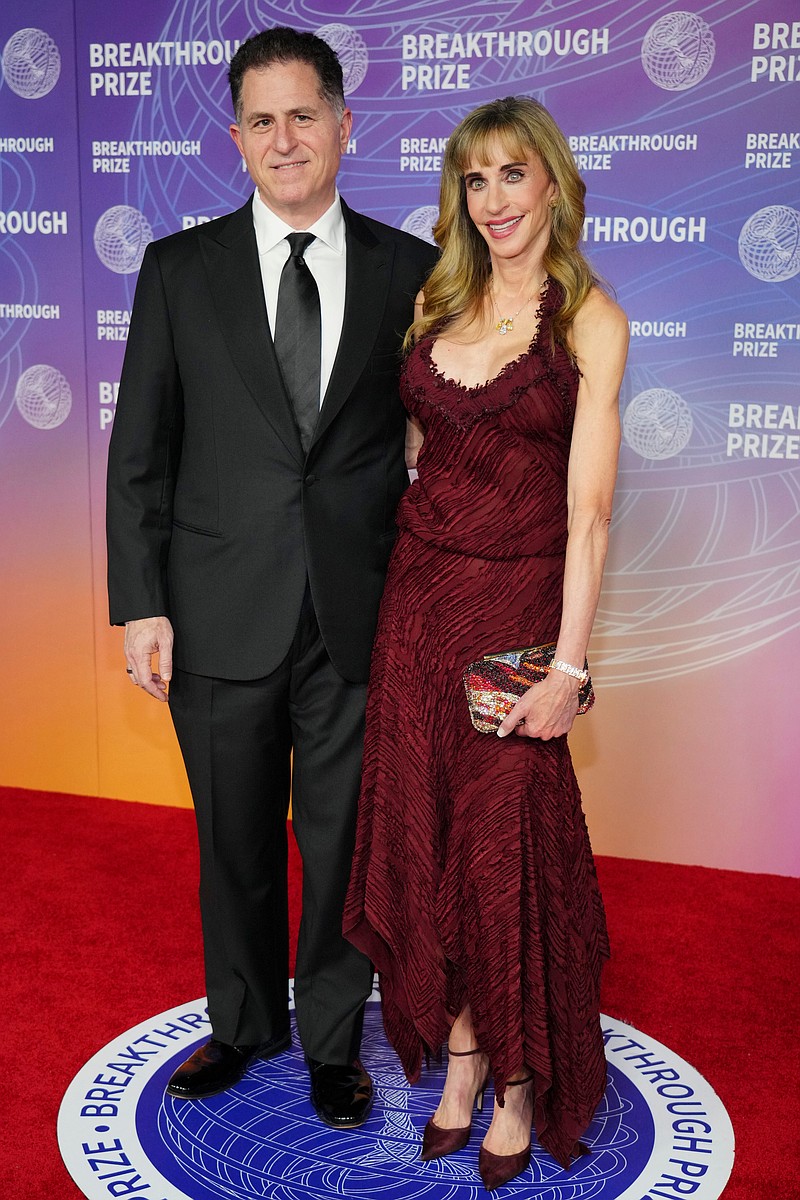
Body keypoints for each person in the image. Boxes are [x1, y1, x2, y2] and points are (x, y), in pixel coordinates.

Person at [106, 27, 436, 1128]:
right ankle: (244, 1023)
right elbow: (139, 453)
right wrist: (140, 603)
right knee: (233, 838)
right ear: (234, 139)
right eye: (261, 120)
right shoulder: (178, 269)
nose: (283, 139)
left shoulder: (412, 271)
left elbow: (442, 443)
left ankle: (333, 1043)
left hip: (359, 613)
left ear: (345, 125)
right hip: (214, 609)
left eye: (304, 115)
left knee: (341, 841)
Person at [343, 96, 628, 1185]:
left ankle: (516, 1083)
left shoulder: (591, 320)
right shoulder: (436, 297)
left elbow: (589, 512)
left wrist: (568, 668)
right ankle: (459, 1064)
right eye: (474, 180)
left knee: (501, 857)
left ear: (551, 182)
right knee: (430, 849)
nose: (493, 201)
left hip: (513, 624)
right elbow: (415, 452)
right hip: (415, 614)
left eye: (512, 175)